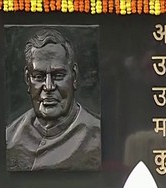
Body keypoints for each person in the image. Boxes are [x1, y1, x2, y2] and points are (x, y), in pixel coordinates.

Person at [6, 28, 101, 171]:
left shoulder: (96, 136)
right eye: (39, 77)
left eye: (58, 76)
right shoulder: (11, 136)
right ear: (27, 79)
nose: (49, 87)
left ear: (74, 77)